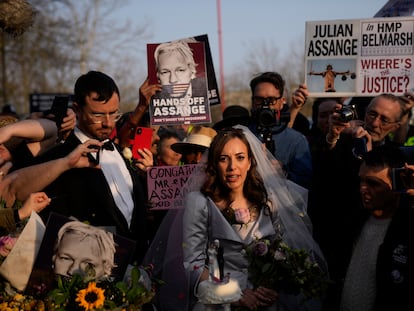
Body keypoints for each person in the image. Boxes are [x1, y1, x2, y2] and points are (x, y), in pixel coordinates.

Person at [3, 71, 149, 263]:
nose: (107, 123)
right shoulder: (58, 158)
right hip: (85, 275)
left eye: (113, 113)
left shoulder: (120, 154)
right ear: (77, 110)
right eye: (97, 114)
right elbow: (14, 192)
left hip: (134, 272)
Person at [181, 126, 326, 310]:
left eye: (240, 158)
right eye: (224, 159)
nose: (232, 167)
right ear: (214, 164)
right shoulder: (199, 203)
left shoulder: (269, 200)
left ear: (250, 162)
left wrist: (272, 285)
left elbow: (285, 252)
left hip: (265, 301)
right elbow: (192, 264)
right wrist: (232, 293)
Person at [311, 93, 406, 310]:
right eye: (372, 114)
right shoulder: (344, 142)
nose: (375, 122)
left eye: (384, 119)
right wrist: (334, 137)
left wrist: (370, 159)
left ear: (396, 126)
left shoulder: (398, 159)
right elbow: (321, 182)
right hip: (335, 249)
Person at [339, 144, 414, 311]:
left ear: (399, 184)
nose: (362, 189)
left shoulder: (407, 229)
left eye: (373, 183)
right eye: (361, 180)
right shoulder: (353, 220)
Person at [248, 72, 312, 189]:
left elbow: (306, 183)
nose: (265, 105)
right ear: (252, 101)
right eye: (259, 99)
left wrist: (284, 173)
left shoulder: (296, 140)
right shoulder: (243, 136)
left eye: (271, 100)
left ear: (282, 102)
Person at [151, 40, 208, 120]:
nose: (173, 80)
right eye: (165, 72)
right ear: (158, 76)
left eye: (180, 70)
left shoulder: (206, 91)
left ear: (192, 71)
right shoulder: (154, 100)